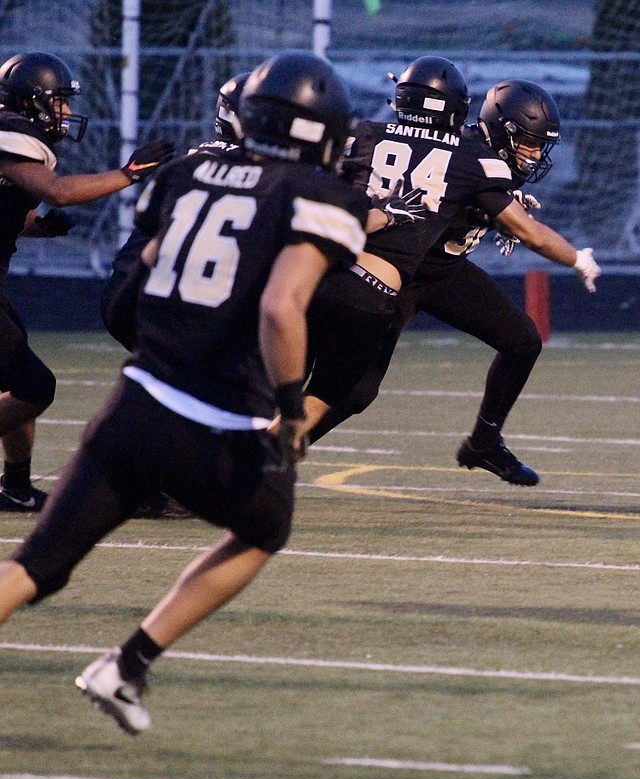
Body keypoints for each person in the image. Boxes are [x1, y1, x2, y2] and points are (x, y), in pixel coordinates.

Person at [0, 50, 369, 734]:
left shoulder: (187, 171)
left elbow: (145, 266)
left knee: (35, 566)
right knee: (264, 528)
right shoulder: (325, 196)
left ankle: (124, 670)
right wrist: (291, 409)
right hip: (217, 418)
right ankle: (128, 664)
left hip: (135, 401)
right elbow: (281, 307)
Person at [294, 59, 600, 486]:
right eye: (529, 142)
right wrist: (567, 252)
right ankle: (279, 456)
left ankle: (484, 442)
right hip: (397, 277)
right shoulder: (468, 153)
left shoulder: (460, 152)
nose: (535, 154)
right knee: (355, 392)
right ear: (502, 129)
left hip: (443, 271)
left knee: (523, 340)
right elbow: (503, 218)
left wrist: (500, 204)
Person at [0, 51, 175, 511]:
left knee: (19, 379)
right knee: (34, 387)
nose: (63, 112)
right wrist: (128, 174)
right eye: (57, 102)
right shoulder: (11, 134)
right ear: (31, 100)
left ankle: (15, 486)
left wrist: (36, 226)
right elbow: (57, 191)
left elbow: (16, 206)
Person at [100, 71, 252, 520]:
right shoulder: (258, 170)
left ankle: (151, 476)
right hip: (160, 297)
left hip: (136, 288)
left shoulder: (192, 159)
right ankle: (147, 481)